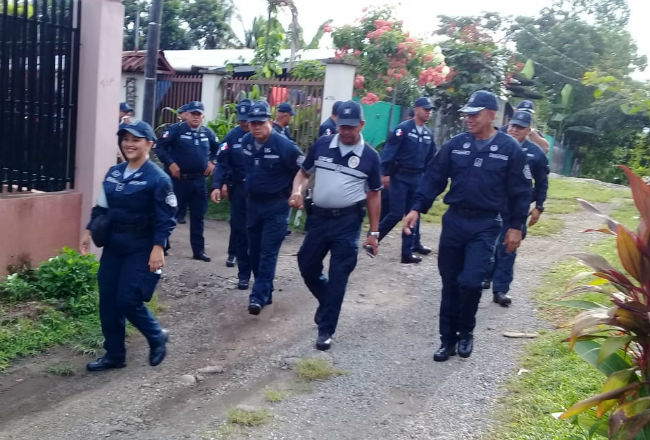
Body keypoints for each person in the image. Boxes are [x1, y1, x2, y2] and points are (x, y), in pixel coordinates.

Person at [403, 90, 532, 361]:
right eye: (466, 115)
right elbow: (434, 179)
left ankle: (466, 332)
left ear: (491, 115)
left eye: (474, 114)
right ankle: (447, 340)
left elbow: (521, 192)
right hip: (454, 221)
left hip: (485, 224)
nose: (468, 119)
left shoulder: (510, 149)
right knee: (450, 283)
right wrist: (416, 207)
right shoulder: (455, 145)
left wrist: (516, 227)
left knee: (472, 282)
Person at [79, 120, 176, 371]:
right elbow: (101, 207)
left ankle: (156, 335)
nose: (129, 144)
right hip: (114, 244)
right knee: (108, 300)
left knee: (127, 299)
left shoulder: (158, 178)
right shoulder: (113, 173)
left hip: (142, 246)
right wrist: (88, 231)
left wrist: (158, 247)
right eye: (125, 139)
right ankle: (114, 355)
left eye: (135, 139)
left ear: (149, 144)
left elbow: (166, 218)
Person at [290, 100, 382, 351]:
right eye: (342, 126)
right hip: (319, 218)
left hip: (348, 222)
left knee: (339, 276)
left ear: (361, 125)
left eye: (351, 127)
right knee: (306, 264)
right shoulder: (322, 145)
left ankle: (326, 330)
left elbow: (374, 194)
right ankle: (327, 300)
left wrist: (373, 233)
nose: (346, 131)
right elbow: (304, 173)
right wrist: (297, 191)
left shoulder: (371, 157)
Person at [212, 100, 303, 315]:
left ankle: (257, 297)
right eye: (252, 123)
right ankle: (266, 289)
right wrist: (219, 184)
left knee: (268, 252)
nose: (256, 127)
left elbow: (303, 168)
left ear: (269, 121)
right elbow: (226, 162)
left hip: (277, 205)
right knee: (253, 250)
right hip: (252, 204)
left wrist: (297, 191)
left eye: (260, 122)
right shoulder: (244, 142)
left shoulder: (284, 145)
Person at [491, 110, 549, 306]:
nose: (514, 130)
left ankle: (500, 289)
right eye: (512, 126)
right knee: (487, 242)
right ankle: (484, 276)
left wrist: (539, 207)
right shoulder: (496, 145)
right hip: (492, 203)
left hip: (517, 207)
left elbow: (541, 182)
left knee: (508, 247)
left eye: (520, 127)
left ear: (528, 130)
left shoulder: (536, 154)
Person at [155, 101, 219, 262]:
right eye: (193, 114)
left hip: (199, 181)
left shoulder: (208, 133)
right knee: (170, 212)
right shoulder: (176, 130)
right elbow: (160, 147)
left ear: (203, 116)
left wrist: (213, 162)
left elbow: (218, 149)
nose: (196, 117)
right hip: (178, 180)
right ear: (187, 115)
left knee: (198, 216)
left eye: (199, 114)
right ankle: (162, 245)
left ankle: (199, 251)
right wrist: (170, 164)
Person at [378, 97, 436, 263]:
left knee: (413, 214)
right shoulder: (402, 129)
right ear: (416, 109)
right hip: (400, 177)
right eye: (425, 109)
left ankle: (407, 253)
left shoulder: (428, 133)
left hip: (417, 178)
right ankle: (374, 238)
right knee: (396, 213)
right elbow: (389, 151)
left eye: (430, 110)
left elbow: (431, 158)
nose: (428, 113)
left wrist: (428, 177)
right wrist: (385, 174)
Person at [211, 99, 252, 289]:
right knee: (239, 228)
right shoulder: (232, 137)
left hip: (261, 193)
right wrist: (218, 185)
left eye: (248, 119)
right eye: (242, 120)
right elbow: (222, 163)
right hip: (239, 191)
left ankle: (262, 276)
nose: (245, 123)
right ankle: (243, 273)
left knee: (258, 233)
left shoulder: (264, 137)